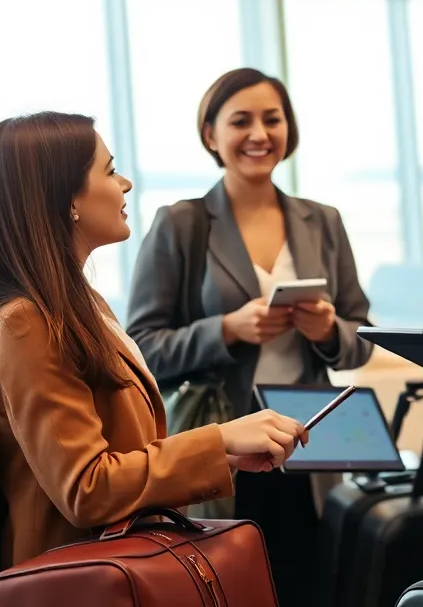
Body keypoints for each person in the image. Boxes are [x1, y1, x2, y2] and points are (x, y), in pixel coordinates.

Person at [0, 111, 307, 568]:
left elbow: (119, 455)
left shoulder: (75, 304)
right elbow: (88, 488)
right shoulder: (26, 323)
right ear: (67, 198)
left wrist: (227, 453)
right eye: (110, 170)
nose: (126, 184)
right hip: (73, 582)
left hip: (109, 569)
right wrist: (217, 441)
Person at [125, 68, 373, 607]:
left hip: (308, 445)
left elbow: (361, 336)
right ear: (210, 135)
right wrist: (226, 330)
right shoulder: (182, 224)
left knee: (312, 585)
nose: (259, 134)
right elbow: (140, 347)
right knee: (229, 588)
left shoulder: (323, 221)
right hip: (225, 447)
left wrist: (329, 331)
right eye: (241, 121)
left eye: (272, 119)